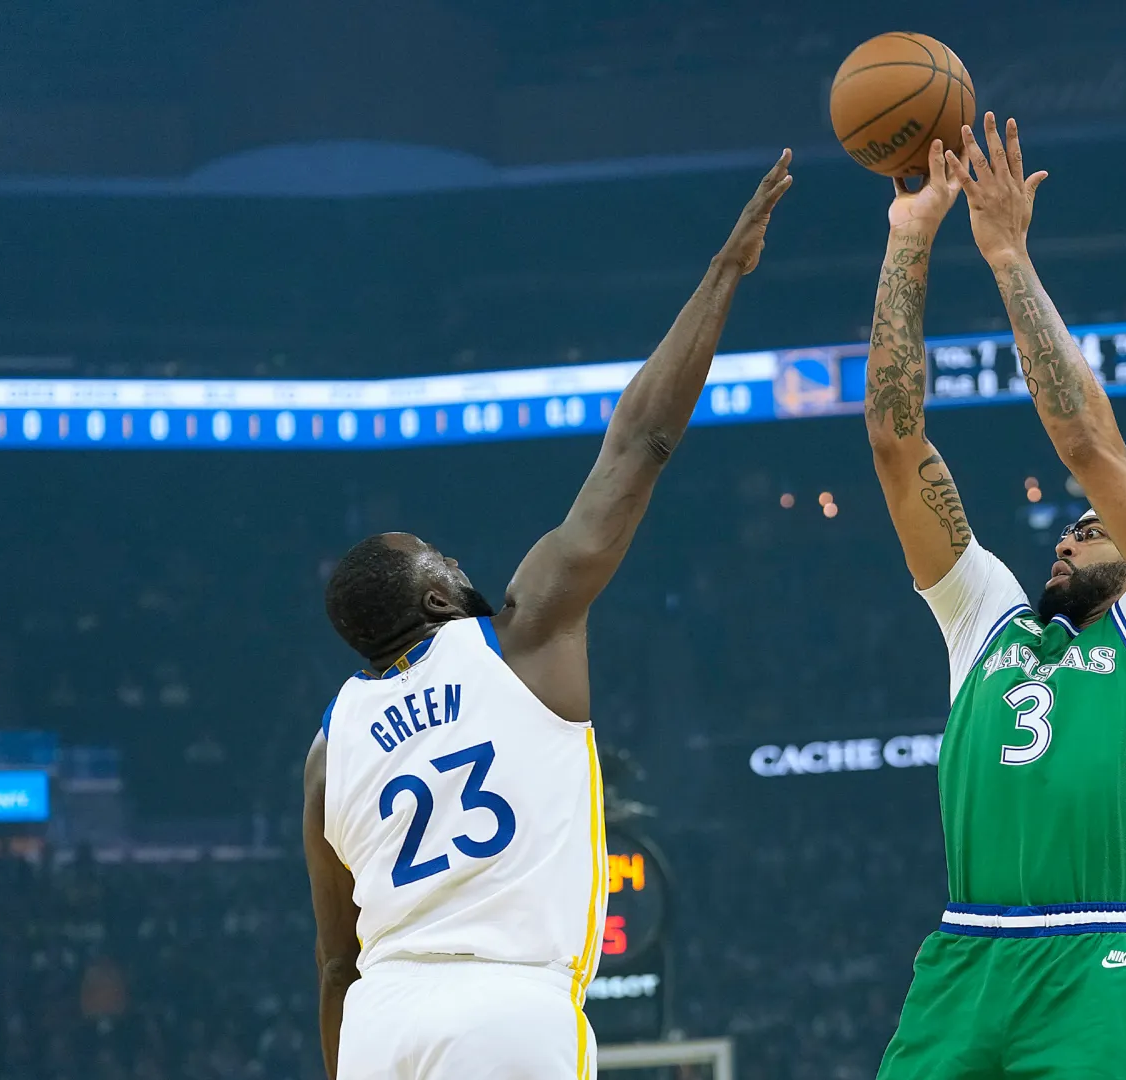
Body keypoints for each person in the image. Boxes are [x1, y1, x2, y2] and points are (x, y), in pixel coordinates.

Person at [302, 152, 793, 1080]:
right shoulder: (520, 635)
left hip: (379, 1021)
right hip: (507, 1003)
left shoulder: (328, 748)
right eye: (440, 557)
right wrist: (726, 270)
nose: (458, 561)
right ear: (437, 597)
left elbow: (336, 964)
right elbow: (640, 441)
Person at [865, 118, 1126, 1079]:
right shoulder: (985, 620)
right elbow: (897, 448)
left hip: (1100, 957)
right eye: (1066, 528)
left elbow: (1088, 447)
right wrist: (909, 241)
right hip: (963, 955)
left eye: (1092, 526)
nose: (1068, 535)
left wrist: (1005, 255)